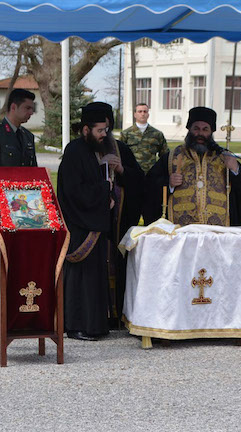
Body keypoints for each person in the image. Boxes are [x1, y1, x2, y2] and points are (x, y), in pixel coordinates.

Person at [57, 103, 144, 341]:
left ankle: (95, 325)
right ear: (86, 130)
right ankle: (75, 325)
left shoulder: (108, 148)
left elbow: (137, 182)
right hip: (81, 224)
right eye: (100, 130)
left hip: (97, 223)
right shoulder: (75, 151)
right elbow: (73, 191)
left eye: (106, 129)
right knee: (80, 278)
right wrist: (104, 192)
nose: (104, 134)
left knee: (95, 276)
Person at [144, 106, 241, 226]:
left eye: (205, 129)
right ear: (189, 129)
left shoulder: (224, 157)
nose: (200, 134)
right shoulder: (172, 157)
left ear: (211, 131)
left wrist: (235, 170)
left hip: (218, 230)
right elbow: (149, 185)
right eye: (196, 129)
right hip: (180, 229)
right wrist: (168, 183)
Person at [0, 89, 37, 168]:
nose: (31, 112)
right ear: (13, 107)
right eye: (27, 108)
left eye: (32, 109)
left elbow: (33, 170)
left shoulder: (28, 136)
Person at [120, 103, 168, 173]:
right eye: (140, 111)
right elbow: (120, 154)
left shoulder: (157, 134)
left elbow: (165, 155)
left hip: (151, 174)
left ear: (148, 114)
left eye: (145, 111)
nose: (142, 114)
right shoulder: (126, 134)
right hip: (132, 173)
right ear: (135, 114)